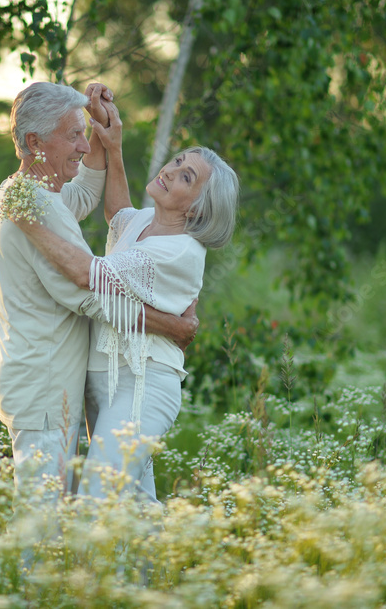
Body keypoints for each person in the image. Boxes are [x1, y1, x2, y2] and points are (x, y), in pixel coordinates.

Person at [12, 96, 239, 502]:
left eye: (186, 177)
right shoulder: (148, 222)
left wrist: (30, 222)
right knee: (134, 508)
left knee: (96, 500)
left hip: (142, 385)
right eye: (177, 161)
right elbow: (119, 215)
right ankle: (170, 548)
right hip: (107, 381)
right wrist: (112, 147)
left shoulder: (178, 251)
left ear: (197, 209)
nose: (170, 171)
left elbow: (87, 275)